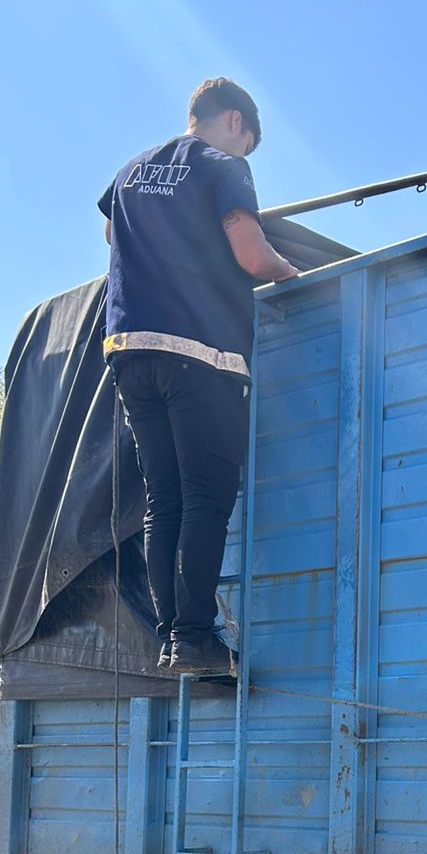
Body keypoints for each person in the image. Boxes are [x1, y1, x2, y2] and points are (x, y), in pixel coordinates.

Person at [98, 77, 298, 675]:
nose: (245, 157)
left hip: (128, 349)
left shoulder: (131, 171)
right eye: (249, 145)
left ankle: (172, 637)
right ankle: (193, 638)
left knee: (165, 501)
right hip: (201, 353)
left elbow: (113, 235)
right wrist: (292, 275)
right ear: (235, 122)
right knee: (208, 496)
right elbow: (253, 257)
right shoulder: (221, 167)